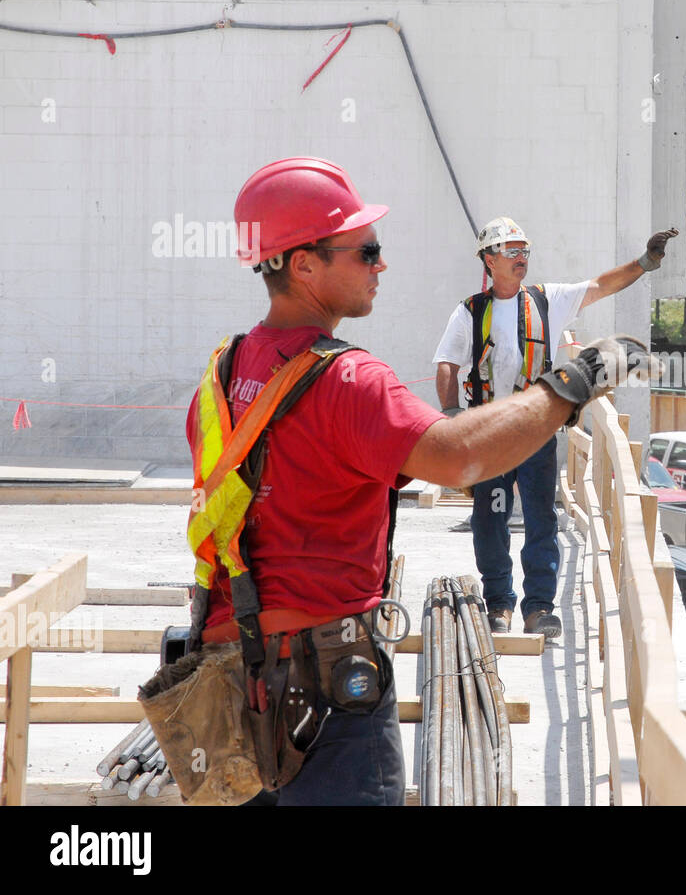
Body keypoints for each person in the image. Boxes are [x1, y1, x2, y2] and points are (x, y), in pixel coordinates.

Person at [183, 158, 649, 805]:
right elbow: (458, 458)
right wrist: (572, 384)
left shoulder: (221, 375)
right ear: (304, 265)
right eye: (365, 249)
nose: (381, 263)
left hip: (229, 686)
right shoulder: (350, 382)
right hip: (326, 704)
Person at [434, 218, 677, 638]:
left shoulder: (548, 301)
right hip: (489, 432)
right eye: (511, 251)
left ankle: (539, 607)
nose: (521, 258)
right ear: (489, 260)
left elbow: (601, 286)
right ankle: (499, 604)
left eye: (524, 250)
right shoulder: (470, 311)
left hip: (535, 430)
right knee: (489, 518)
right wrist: (453, 415)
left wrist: (645, 261)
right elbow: (447, 365)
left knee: (541, 518)